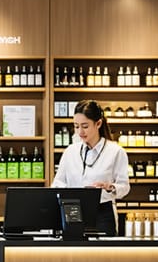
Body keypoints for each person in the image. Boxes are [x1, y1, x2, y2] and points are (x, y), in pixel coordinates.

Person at [52, 100, 130, 236]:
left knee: (102, 256)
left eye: (85, 126)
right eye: (76, 126)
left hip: (102, 213)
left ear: (98, 123)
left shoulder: (115, 151)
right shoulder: (70, 151)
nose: (80, 132)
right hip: (72, 211)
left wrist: (109, 187)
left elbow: (124, 187)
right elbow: (58, 183)